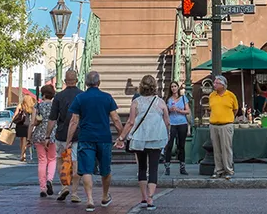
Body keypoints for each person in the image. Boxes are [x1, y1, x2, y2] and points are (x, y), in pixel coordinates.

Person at [68, 70, 124, 213]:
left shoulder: (80, 98)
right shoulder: (107, 98)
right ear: (99, 82)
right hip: (104, 138)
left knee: (86, 169)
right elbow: (116, 119)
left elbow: (74, 121)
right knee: (106, 169)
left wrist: (69, 140)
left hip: (86, 137)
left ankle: (90, 199)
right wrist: (122, 135)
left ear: (86, 83)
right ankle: (105, 196)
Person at [116, 75, 169, 210]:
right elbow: (167, 121)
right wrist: (167, 133)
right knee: (154, 168)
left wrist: (122, 137)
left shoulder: (136, 102)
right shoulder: (161, 102)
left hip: (140, 138)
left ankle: (144, 197)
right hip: (156, 137)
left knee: (142, 167)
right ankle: (151, 198)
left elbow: (130, 122)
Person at [48, 69, 83, 204]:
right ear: (77, 80)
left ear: (65, 81)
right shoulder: (81, 95)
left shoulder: (58, 96)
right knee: (75, 162)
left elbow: (52, 118)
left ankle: (64, 186)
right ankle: (74, 192)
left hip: (61, 134)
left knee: (60, 160)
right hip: (77, 134)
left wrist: (47, 135)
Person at [208, 75, 239, 179]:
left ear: (223, 85)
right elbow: (211, 108)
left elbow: (235, 109)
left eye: (216, 83)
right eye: (214, 83)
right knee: (216, 149)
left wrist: (229, 118)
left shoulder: (231, 95)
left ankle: (228, 170)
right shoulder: (212, 95)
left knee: (226, 148)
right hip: (213, 125)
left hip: (226, 125)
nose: (214, 85)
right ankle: (218, 170)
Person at [31, 84, 58, 197]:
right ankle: (50, 180)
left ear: (43, 94)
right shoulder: (55, 106)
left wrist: (28, 138)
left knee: (42, 161)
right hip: (52, 135)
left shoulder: (37, 106)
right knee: (52, 159)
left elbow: (33, 122)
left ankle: (42, 188)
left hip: (39, 135)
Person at [163, 82, 190, 176]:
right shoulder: (168, 99)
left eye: (175, 86)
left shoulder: (183, 98)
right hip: (172, 124)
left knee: (181, 146)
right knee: (169, 145)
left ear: (178, 88)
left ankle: (182, 167)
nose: (173, 88)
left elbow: (188, 111)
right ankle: (167, 166)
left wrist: (179, 110)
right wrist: (170, 109)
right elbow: (165, 112)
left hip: (182, 123)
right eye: (172, 87)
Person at [13, 94, 36, 162]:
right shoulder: (31, 106)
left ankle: (23, 154)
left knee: (22, 140)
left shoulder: (20, 105)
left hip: (20, 124)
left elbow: (15, 115)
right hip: (28, 124)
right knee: (25, 140)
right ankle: (23, 154)